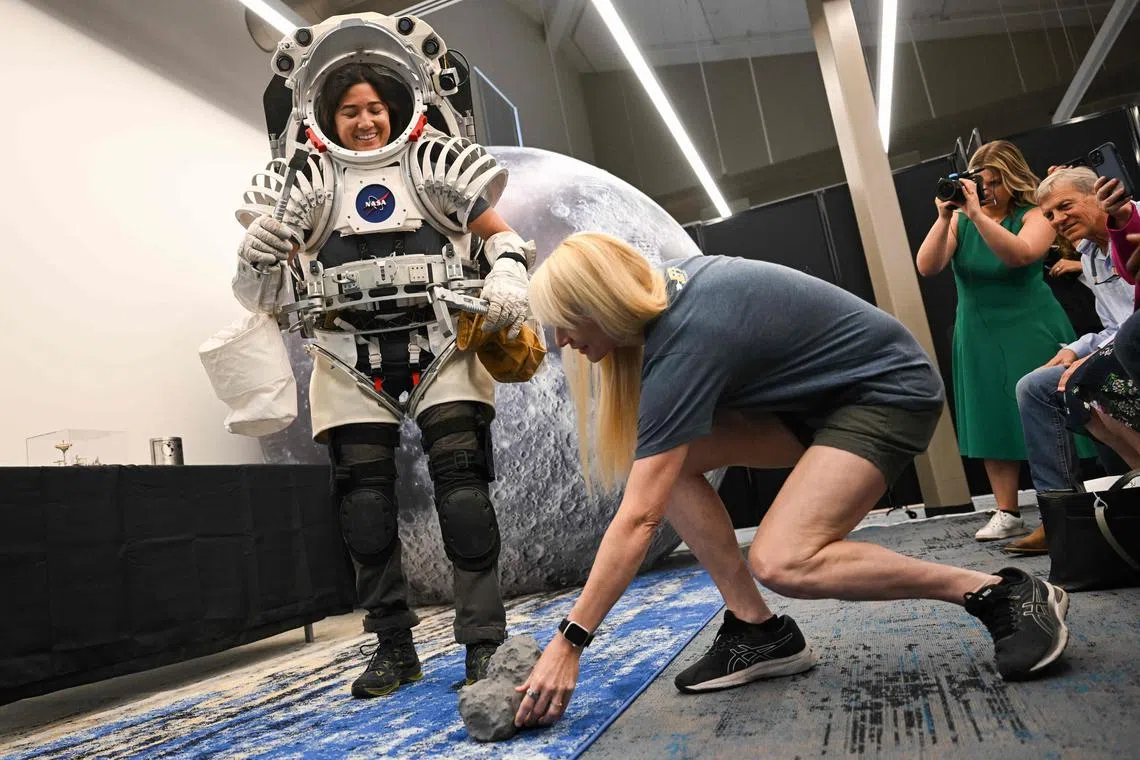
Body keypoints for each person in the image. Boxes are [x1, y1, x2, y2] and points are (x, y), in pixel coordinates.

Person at [512, 233, 1070, 728]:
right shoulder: (666, 300)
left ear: (600, 304)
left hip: (884, 393)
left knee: (784, 559)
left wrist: (570, 641)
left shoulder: (684, 335)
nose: (561, 340)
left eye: (567, 322)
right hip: (817, 402)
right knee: (667, 465)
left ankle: (1003, 594)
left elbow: (639, 519)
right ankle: (758, 631)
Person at [231, 14, 536, 698]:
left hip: (442, 346)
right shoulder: (299, 187)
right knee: (363, 510)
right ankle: (394, 647)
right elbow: (264, 290)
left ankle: (484, 643)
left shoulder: (436, 169)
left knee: (463, 496)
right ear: (326, 117)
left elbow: (503, 238)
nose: (364, 122)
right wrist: (253, 260)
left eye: (373, 108)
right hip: (344, 354)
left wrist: (510, 273)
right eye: (349, 111)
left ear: (396, 106)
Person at [915, 140, 1092, 543]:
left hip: (1030, 323)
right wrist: (946, 217)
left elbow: (1019, 255)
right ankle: (1006, 510)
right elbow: (928, 266)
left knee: (1049, 412)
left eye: (994, 182)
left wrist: (976, 215)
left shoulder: (1035, 215)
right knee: (991, 415)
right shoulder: (961, 221)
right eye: (980, 182)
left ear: (1011, 180)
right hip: (978, 329)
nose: (986, 189)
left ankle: (1062, 504)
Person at [1011, 167, 1137, 554]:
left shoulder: (1133, 224)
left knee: (1085, 380)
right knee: (1036, 386)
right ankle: (1061, 517)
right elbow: (1114, 323)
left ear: (1099, 194)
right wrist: (1077, 349)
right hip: (1124, 344)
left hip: (1133, 347)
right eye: (1048, 214)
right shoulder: (1090, 255)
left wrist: (1092, 358)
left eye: (1065, 206)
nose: (1057, 220)